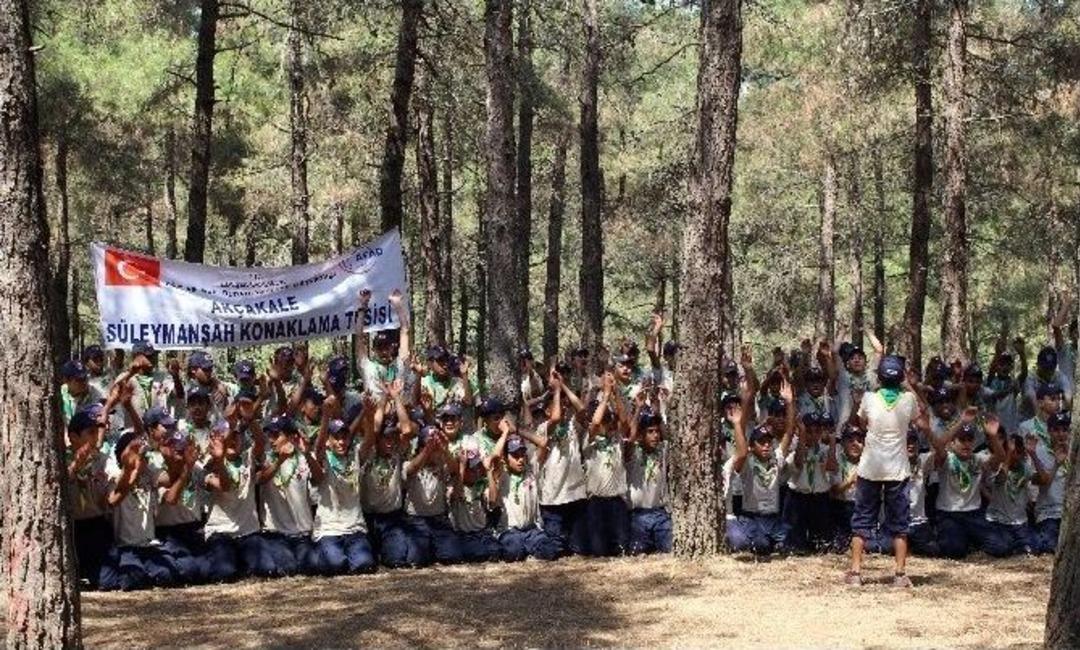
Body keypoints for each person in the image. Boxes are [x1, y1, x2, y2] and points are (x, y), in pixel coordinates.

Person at [846, 355, 920, 588]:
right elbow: (919, 418)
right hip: (897, 470)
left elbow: (860, 423)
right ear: (900, 377)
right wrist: (908, 384)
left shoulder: (869, 398)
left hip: (870, 469)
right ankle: (899, 574)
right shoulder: (908, 400)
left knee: (862, 521)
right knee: (900, 523)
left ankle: (856, 573)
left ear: (879, 377)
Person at [99, 426, 177, 591]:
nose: (140, 457)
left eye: (142, 453)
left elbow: (170, 479)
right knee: (132, 579)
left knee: (168, 575)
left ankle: (146, 571)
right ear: (123, 456)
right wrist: (130, 469)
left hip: (148, 545)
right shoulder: (115, 476)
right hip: (125, 547)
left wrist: (169, 458)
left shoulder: (149, 473)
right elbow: (116, 494)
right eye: (134, 451)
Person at [307, 400, 377, 576]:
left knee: (365, 565)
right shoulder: (323, 457)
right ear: (330, 441)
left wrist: (369, 416)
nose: (341, 442)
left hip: (354, 528)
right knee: (335, 565)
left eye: (344, 437)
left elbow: (369, 441)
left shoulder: (355, 455)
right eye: (336, 438)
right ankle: (316, 554)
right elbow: (319, 446)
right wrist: (325, 416)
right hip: (329, 529)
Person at [724, 386, 795, 555]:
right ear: (752, 446)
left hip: (773, 518)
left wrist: (790, 403)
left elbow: (789, 433)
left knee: (794, 542)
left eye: (769, 442)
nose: (766, 446)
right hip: (752, 517)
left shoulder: (776, 459)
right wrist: (737, 424)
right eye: (761, 442)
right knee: (761, 546)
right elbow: (741, 453)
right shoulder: (747, 463)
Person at [359, 380, 418, 568]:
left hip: (392, 518)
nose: (390, 441)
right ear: (377, 440)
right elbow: (374, 428)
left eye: (393, 436)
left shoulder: (397, 454)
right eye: (386, 438)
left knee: (396, 560)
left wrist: (396, 397)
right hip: (367, 518)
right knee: (365, 563)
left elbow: (407, 429)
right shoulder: (367, 452)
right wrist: (384, 397)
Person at [202, 417, 268, 583]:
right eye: (225, 437)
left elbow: (261, 440)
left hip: (248, 532)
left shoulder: (248, 458)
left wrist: (250, 416)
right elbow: (224, 486)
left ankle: (240, 561)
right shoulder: (208, 463)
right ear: (214, 439)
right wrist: (219, 460)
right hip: (221, 532)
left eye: (235, 437)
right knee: (224, 573)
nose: (231, 441)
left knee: (267, 569)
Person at [931, 410, 1003, 559]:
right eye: (961, 440)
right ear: (952, 443)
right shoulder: (947, 459)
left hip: (974, 514)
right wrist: (961, 423)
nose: (966, 444)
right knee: (954, 551)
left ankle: (969, 540)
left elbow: (1000, 457)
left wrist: (993, 436)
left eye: (969, 440)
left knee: (1000, 546)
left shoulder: (978, 459)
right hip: (949, 514)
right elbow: (938, 446)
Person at [255, 415, 321, 576]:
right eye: (269, 435)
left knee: (314, 567)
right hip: (275, 533)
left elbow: (319, 478)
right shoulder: (265, 457)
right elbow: (259, 479)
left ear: (292, 437)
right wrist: (279, 461)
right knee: (288, 568)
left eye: (276, 435)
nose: (271, 440)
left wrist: (307, 455)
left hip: (301, 534)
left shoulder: (304, 458)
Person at [490, 432, 562, 561]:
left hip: (531, 530)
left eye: (522, 454)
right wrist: (506, 432)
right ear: (505, 458)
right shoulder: (502, 475)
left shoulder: (532, 471)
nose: (520, 459)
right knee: (513, 550)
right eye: (515, 456)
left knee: (551, 549)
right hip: (510, 531)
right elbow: (495, 456)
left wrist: (517, 430)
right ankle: (527, 551)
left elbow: (543, 443)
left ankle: (530, 551)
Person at [582, 373, 630, 556]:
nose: (608, 423)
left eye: (609, 419)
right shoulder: (588, 440)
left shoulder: (617, 438)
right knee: (598, 551)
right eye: (605, 419)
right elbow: (595, 423)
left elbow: (624, 420)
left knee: (622, 549)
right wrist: (606, 394)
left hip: (617, 501)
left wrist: (615, 393)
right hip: (596, 502)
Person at [66, 404, 113, 588]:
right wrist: (75, 467)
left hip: (97, 525)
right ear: (73, 436)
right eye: (91, 432)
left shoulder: (101, 460)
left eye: (97, 432)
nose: (96, 437)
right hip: (73, 529)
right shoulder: (60, 459)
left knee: (108, 578)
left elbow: (113, 476)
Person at [402, 424, 463, 566]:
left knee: (453, 556)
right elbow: (412, 470)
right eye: (428, 445)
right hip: (416, 519)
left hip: (438, 519)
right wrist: (428, 450)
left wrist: (444, 449)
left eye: (435, 448)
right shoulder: (409, 463)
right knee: (416, 560)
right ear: (420, 448)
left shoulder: (442, 464)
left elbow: (455, 471)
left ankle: (434, 546)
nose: (433, 451)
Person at [982, 430, 1046, 557]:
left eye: (1019, 452)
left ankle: (1019, 545)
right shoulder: (996, 466)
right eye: (1013, 452)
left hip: (1020, 523)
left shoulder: (1025, 468)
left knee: (1038, 546)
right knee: (1000, 548)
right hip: (998, 522)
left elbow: (1043, 479)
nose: (1016, 456)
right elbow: (1000, 479)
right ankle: (1015, 545)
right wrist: (1008, 457)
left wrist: (1033, 455)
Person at [156, 428, 208, 585]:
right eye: (174, 446)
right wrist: (186, 472)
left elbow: (215, 484)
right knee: (188, 570)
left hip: (193, 529)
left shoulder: (197, 468)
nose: (178, 451)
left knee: (208, 571)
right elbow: (171, 499)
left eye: (182, 446)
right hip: (169, 533)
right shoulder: (158, 471)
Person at [783, 411, 837, 553]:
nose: (813, 436)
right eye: (809, 431)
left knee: (819, 541)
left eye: (817, 431)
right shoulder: (794, 451)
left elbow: (832, 467)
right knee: (796, 541)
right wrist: (801, 434)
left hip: (819, 497)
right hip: (798, 496)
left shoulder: (825, 450)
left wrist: (832, 444)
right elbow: (799, 463)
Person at [626, 402, 671, 555]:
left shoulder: (662, 451)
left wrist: (658, 411)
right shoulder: (633, 452)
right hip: (638, 514)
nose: (655, 435)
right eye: (650, 432)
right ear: (641, 434)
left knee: (669, 548)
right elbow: (631, 438)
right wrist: (638, 409)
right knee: (636, 551)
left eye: (657, 432)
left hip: (660, 513)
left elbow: (667, 437)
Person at [355, 288, 412, 402]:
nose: (384, 351)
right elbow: (359, 337)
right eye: (380, 347)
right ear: (374, 349)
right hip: (375, 414)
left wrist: (398, 306)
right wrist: (362, 308)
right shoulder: (367, 367)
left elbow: (405, 331)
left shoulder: (400, 364)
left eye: (386, 347)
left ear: (392, 347)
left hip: (398, 414)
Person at [448, 449, 500, 562]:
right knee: (474, 552)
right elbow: (455, 496)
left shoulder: (482, 484)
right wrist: (461, 468)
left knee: (497, 550)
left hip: (482, 533)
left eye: (477, 467)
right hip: (463, 535)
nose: (476, 471)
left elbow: (493, 501)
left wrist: (489, 472)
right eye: (471, 468)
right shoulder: (454, 484)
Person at [1030, 411, 1071, 554]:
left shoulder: (1075, 453)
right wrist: (1056, 464)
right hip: (1049, 513)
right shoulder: (1039, 452)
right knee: (1049, 546)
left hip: (1071, 512)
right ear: (1048, 431)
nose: (1061, 434)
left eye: (1065, 430)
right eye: (1056, 430)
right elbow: (1041, 481)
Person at [829, 424, 863, 553]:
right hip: (841, 507)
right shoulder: (837, 460)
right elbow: (833, 492)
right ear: (842, 443)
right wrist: (850, 481)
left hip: (861, 509)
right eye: (850, 441)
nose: (855, 444)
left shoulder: (867, 462)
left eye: (859, 441)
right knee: (838, 547)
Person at [60, 359, 104, 426]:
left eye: (85, 378)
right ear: (66, 380)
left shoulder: (95, 394)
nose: (84, 382)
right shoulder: (60, 394)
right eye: (79, 379)